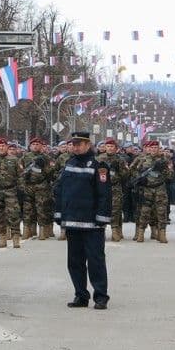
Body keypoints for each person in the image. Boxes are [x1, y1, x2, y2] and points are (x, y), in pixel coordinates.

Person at [53, 132, 110, 310]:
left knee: (95, 261)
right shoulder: (69, 164)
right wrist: (59, 213)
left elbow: (104, 194)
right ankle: (81, 295)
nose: (76, 147)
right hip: (72, 222)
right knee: (75, 261)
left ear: (88, 145)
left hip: (92, 224)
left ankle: (100, 296)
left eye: (79, 144)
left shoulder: (98, 166)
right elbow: (60, 190)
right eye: (73, 144)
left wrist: (102, 218)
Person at [129, 141, 173, 243]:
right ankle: (140, 234)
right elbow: (132, 170)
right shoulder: (143, 159)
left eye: (155, 148)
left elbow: (171, 176)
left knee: (161, 212)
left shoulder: (165, 160)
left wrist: (164, 169)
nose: (153, 150)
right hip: (146, 189)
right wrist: (140, 179)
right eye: (151, 148)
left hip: (160, 189)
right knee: (144, 212)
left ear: (159, 148)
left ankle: (162, 234)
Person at [0, 137, 23, 248]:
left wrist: (20, 189)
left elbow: (20, 176)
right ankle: (2, 237)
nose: (1, 148)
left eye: (3, 146)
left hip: (10, 190)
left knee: (14, 214)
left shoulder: (14, 160)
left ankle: (16, 236)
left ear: (7, 147)